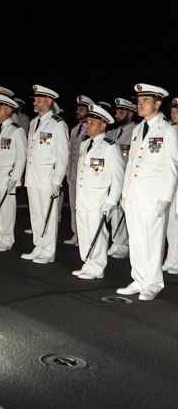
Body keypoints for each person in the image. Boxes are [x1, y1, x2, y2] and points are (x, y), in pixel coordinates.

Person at [117, 83, 178, 301]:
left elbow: (172, 166)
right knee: (136, 240)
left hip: (153, 196)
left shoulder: (167, 130)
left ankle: (152, 283)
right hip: (134, 195)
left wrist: (166, 197)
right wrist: (125, 194)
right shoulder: (137, 129)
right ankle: (139, 278)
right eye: (139, 101)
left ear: (158, 103)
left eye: (145, 101)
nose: (139, 104)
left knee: (152, 241)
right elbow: (131, 164)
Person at [71, 104, 124, 279]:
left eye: (92, 123)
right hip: (83, 197)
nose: (88, 125)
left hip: (98, 199)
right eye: (88, 122)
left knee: (97, 234)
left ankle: (97, 267)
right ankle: (88, 262)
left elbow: (118, 177)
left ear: (103, 126)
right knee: (84, 233)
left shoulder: (110, 147)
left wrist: (111, 202)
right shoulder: (85, 144)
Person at [21, 84, 70, 264]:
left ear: (49, 101)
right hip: (33, 176)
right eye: (35, 98)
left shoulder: (58, 124)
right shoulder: (34, 123)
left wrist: (57, 180)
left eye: (39, 99)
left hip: (48, 178)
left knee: (48, 215)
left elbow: (63, 154)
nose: (35, 101)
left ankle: (48, 251)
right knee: (36, 214)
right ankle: (38, 246)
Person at [0, 94, 27, 252]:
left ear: (9, 110)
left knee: (7, 209)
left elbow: (21, 158)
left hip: (6, 177)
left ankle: (7, 239)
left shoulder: (16, 131)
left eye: (0, 108)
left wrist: (15, 178)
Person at [105, 97, 137, 259]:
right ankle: (117, 241)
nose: (117, 115)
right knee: (115, 212)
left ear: (131, 113)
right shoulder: (114, 132)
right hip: (113, 178)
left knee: (124, 212)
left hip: (127, 179)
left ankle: (123, 244)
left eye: (121, 112)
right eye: (117, 111)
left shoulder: (135, 131)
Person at [64, 95, 94, 247]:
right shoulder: (75, 129)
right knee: (73, 205)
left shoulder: (91, 130)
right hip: (73, 174)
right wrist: (67, 172)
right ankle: (76, 233)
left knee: (84, 207)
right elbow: (70, 153)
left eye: (81, 109)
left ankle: (85, 235)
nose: (78, 111)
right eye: (78, 109)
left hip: (85, 176)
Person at [164, 98, 178, 274]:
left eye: (177, 110)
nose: (173, 112)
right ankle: (171, 257)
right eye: (173, 109)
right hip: (171, 182)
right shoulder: (171, 129)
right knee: (171, 222)